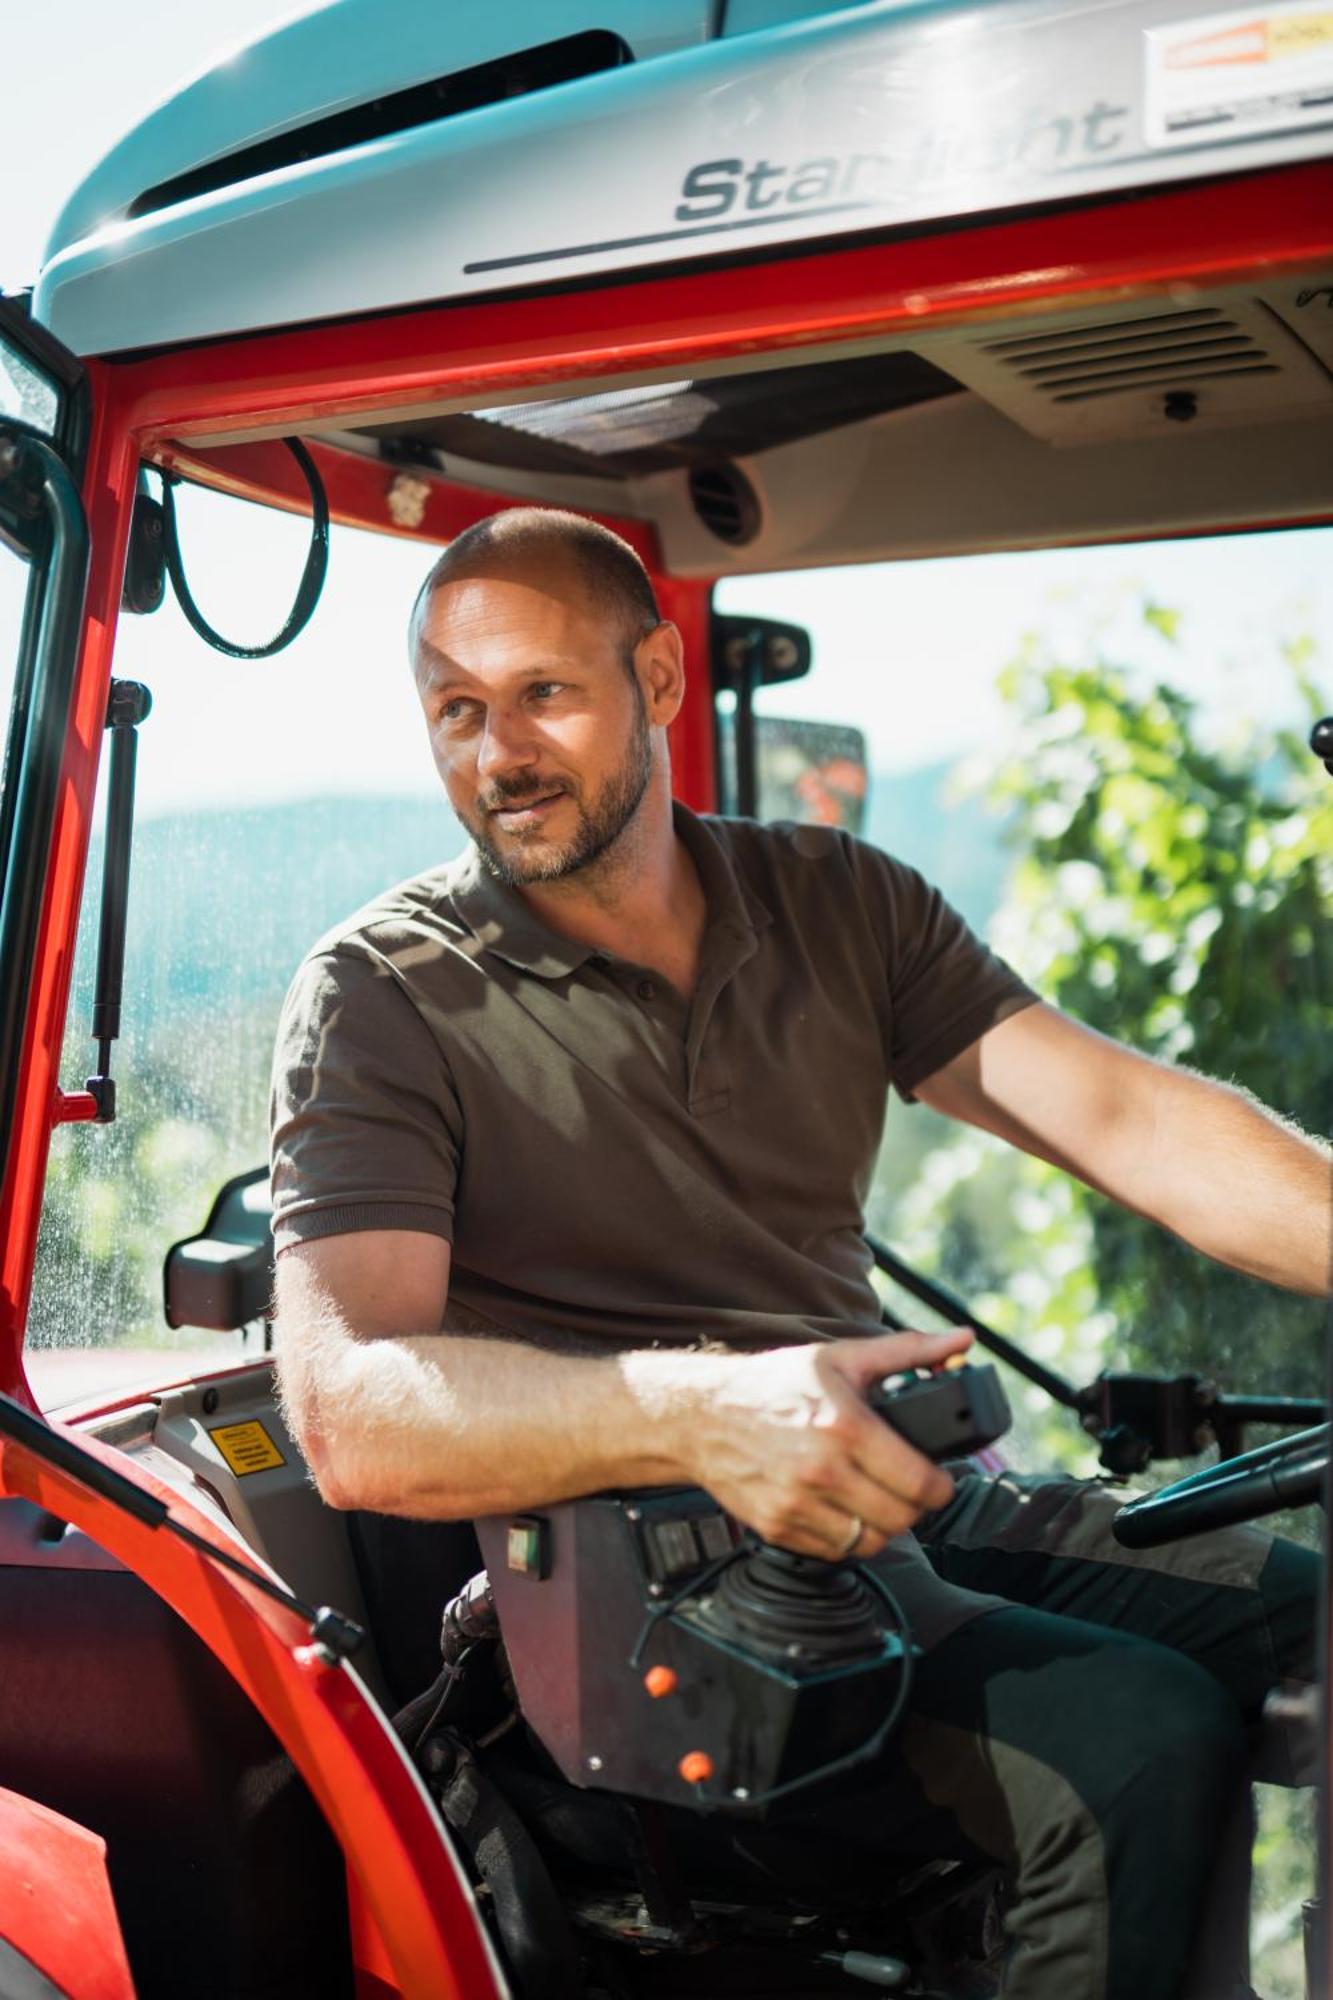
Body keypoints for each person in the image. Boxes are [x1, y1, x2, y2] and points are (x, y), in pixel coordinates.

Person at [270, 507, 1327, 2000]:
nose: (495, 754)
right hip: (642, 1606)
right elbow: (348, 1414)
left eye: (543, 696)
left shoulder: (837, 900)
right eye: (456, 710)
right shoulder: (382, 994)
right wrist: (698, 1409)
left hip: (906, 1509)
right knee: (1136, 1732)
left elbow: (1120, 1116)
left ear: (654, 676)